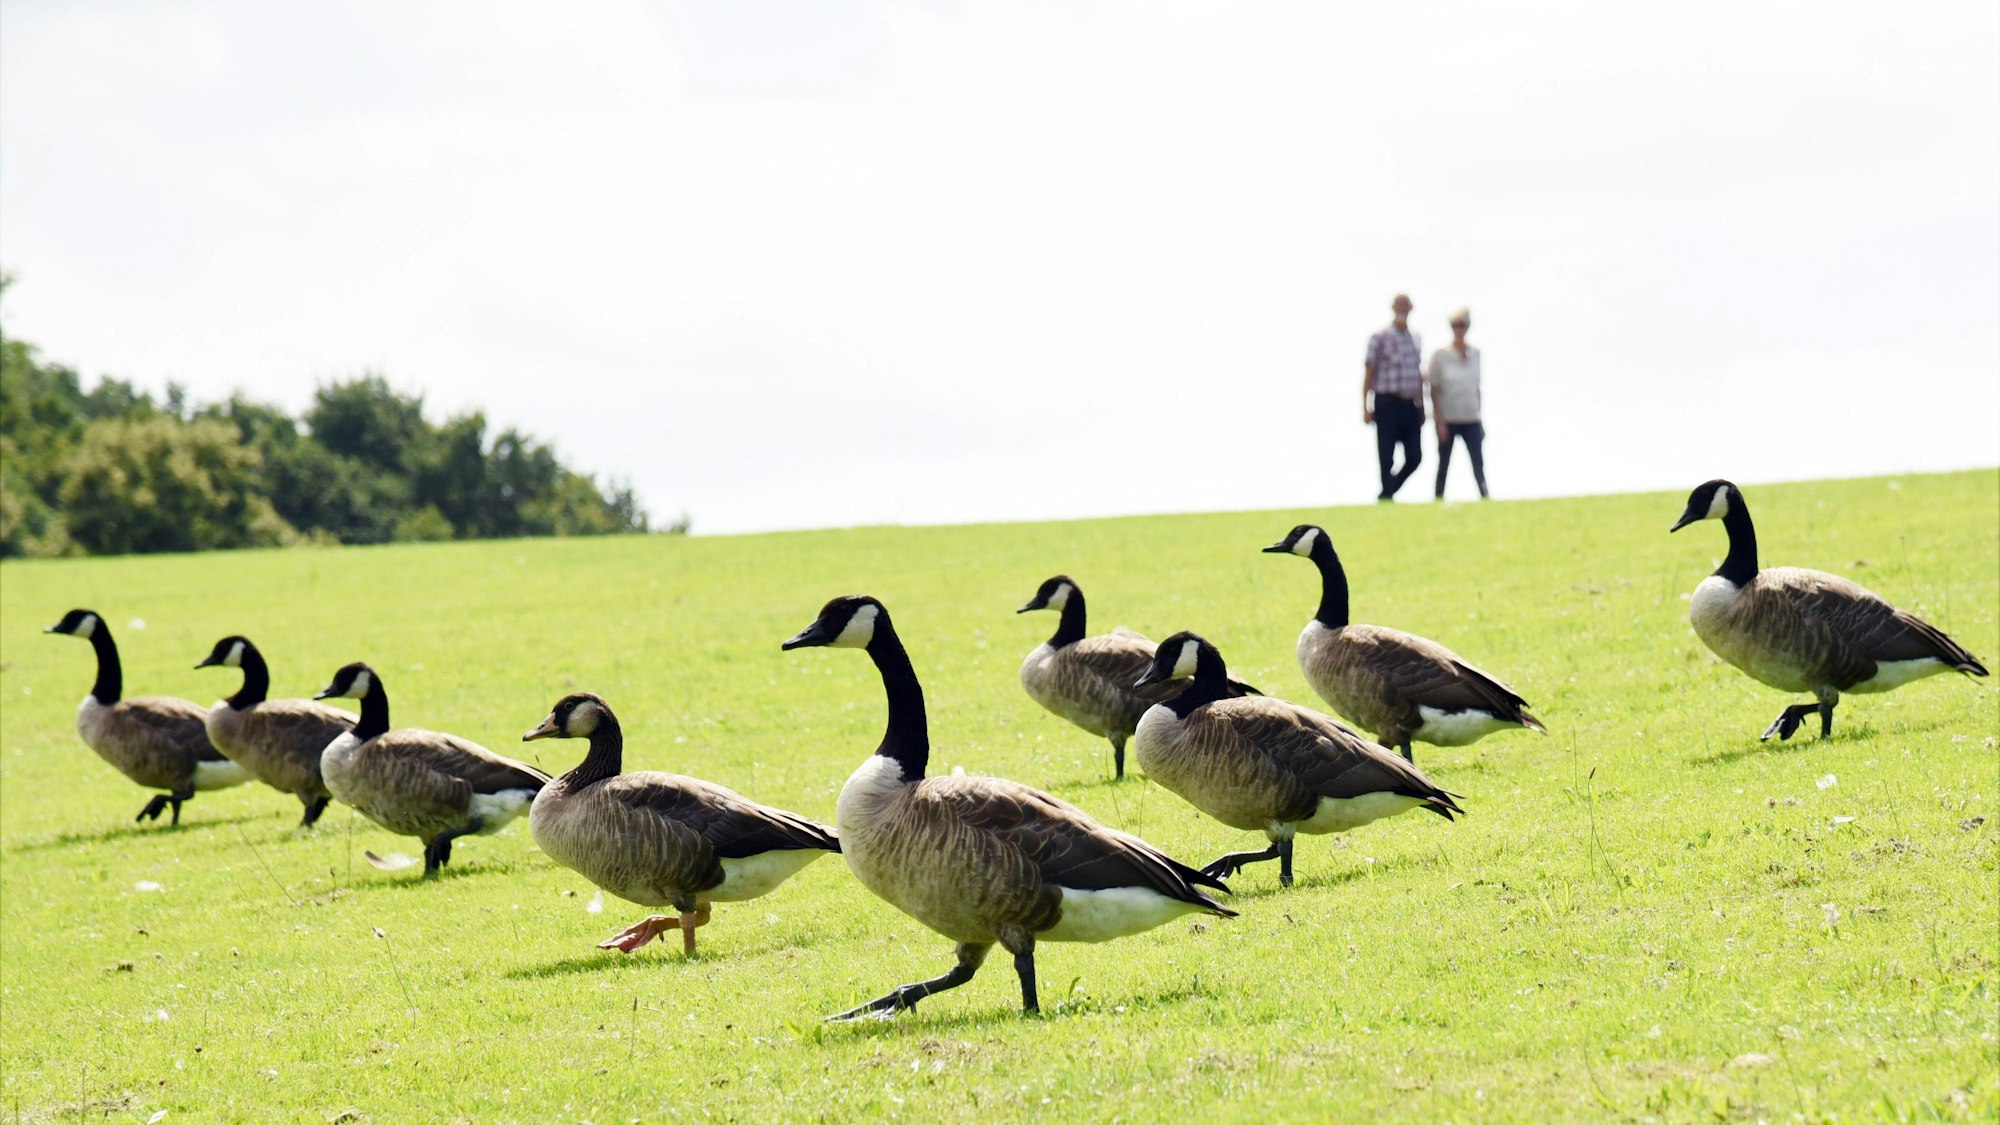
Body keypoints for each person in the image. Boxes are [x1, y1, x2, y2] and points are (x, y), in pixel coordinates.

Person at [1362, 293, 1424, 501]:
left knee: (1415, 456)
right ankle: (1387, 494)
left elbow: (1417, 374)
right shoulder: (1379, 337)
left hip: (1409, 404)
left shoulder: (1415, 338)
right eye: (1399, 304)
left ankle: (1387, 492)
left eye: (1405, 304)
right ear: (1392, 307)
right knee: (1386, 455)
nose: (1402, 308)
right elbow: (1369, 373)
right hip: (1386, 402)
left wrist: (1422, 406)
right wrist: (1365, 406)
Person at [1427, 307, 1488, 500]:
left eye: (1462, 325)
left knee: (1478, 462)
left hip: (1471, 417)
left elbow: (1477, 388)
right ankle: (1438, 498)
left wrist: (1481, 419)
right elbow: (1434, 389)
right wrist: (1439, 421)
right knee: (1443, 462)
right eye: (1455, 325)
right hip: (1448, 418)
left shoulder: (1476, 353)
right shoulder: (1440, 355)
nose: (1459, 329)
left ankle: (1485, 496)